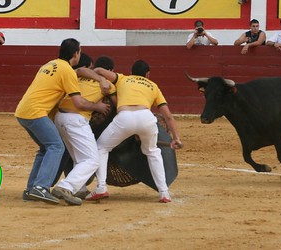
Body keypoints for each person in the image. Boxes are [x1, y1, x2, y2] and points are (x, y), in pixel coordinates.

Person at [15, 38, 111, 204]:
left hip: (22, 110)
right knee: (56, 146)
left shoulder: (49, 64)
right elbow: (79, 103)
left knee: (45, 148)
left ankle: (31, 189)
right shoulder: (66, 70)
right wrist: (97, 106)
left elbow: (79, 72)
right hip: (36, 112)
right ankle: (40, 187)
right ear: (76, 53)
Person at [92, 59, 183, 203]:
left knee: (101, 147)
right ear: (147, 74)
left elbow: (98, 70)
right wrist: (176, 137)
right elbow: (168, 116)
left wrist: (101, 80)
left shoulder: (122, 79)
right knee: (153, 152)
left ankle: (101, 187)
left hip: (124, 118)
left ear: (132, 72)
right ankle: (164, 192)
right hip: (146, 118)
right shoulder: (153, 86)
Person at [51, 55, 117, 205]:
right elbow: (118, 106)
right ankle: (65, 186)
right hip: (76, 119)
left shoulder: (80, 77)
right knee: (93, 160)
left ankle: (79, 189)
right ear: (111, 71)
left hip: (60, 117)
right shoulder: (108, 84)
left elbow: (80, 69)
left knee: (80, 158)